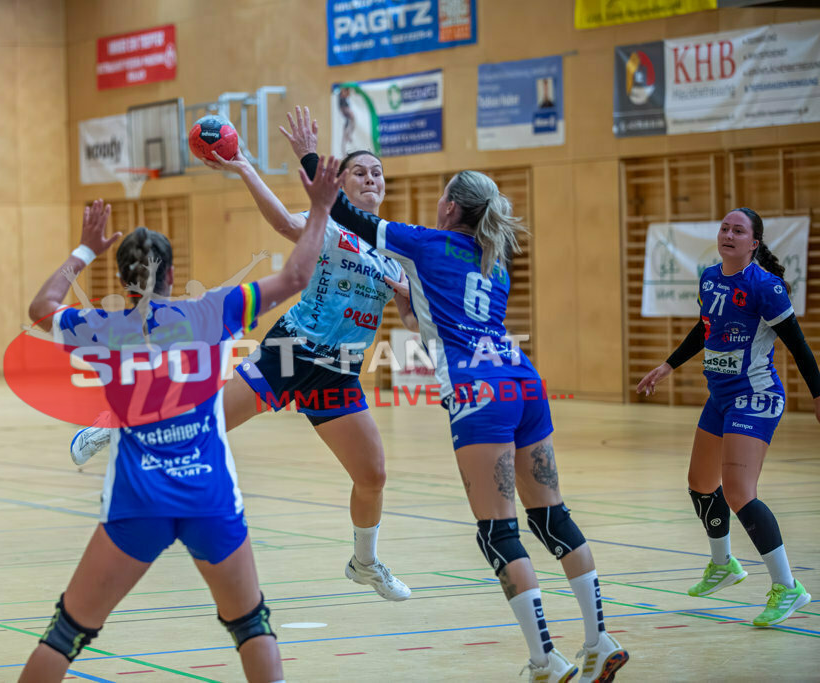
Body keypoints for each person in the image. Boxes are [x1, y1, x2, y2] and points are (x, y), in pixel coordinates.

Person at [297, 149, 629, 682]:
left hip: (481, 394)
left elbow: (347, 214)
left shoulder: (429, 243)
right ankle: (598, 638)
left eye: (440, 196)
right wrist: (411, 302)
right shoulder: (493, 263)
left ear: (450, 207)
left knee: (498, 532)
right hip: (523, 381)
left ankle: (545, 659)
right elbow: (435, 316)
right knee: (551, 516)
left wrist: (312, 161)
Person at [18, 155, 346, 683]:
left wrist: (85, 249)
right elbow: (298, 275)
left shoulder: (101, 328)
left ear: (121, 278)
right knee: (250, 624)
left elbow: (42, 307)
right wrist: (320, 208)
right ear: (172, 274)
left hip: (137, 500)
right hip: (209, 496)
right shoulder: (210, 311)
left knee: (67, 631)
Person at [70, 106, 416, 602]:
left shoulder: (394, 251)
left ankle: (365, 563)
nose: (372, 179)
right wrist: (244, 166)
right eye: (360, 171)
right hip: (293, 351)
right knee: (206, 416)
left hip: (339, 372)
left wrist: (409, 298)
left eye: (378, 172)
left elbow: (410, 322)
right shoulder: (329, 226)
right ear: (339, 182)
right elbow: (281, 222)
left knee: (373, 474)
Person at [637, 208, 820, 628]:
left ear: (754, 243)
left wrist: (817, 394)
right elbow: (706, 328)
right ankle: (723, 565)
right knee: (701, 486)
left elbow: (799, 346)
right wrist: (668, 365)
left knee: (739, 492)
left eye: (739, 230)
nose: (729, 234)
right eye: (724, 227)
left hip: (755, 396)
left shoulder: (767, 287)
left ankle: (788, 587)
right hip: (720, 397)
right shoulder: (709, 277)